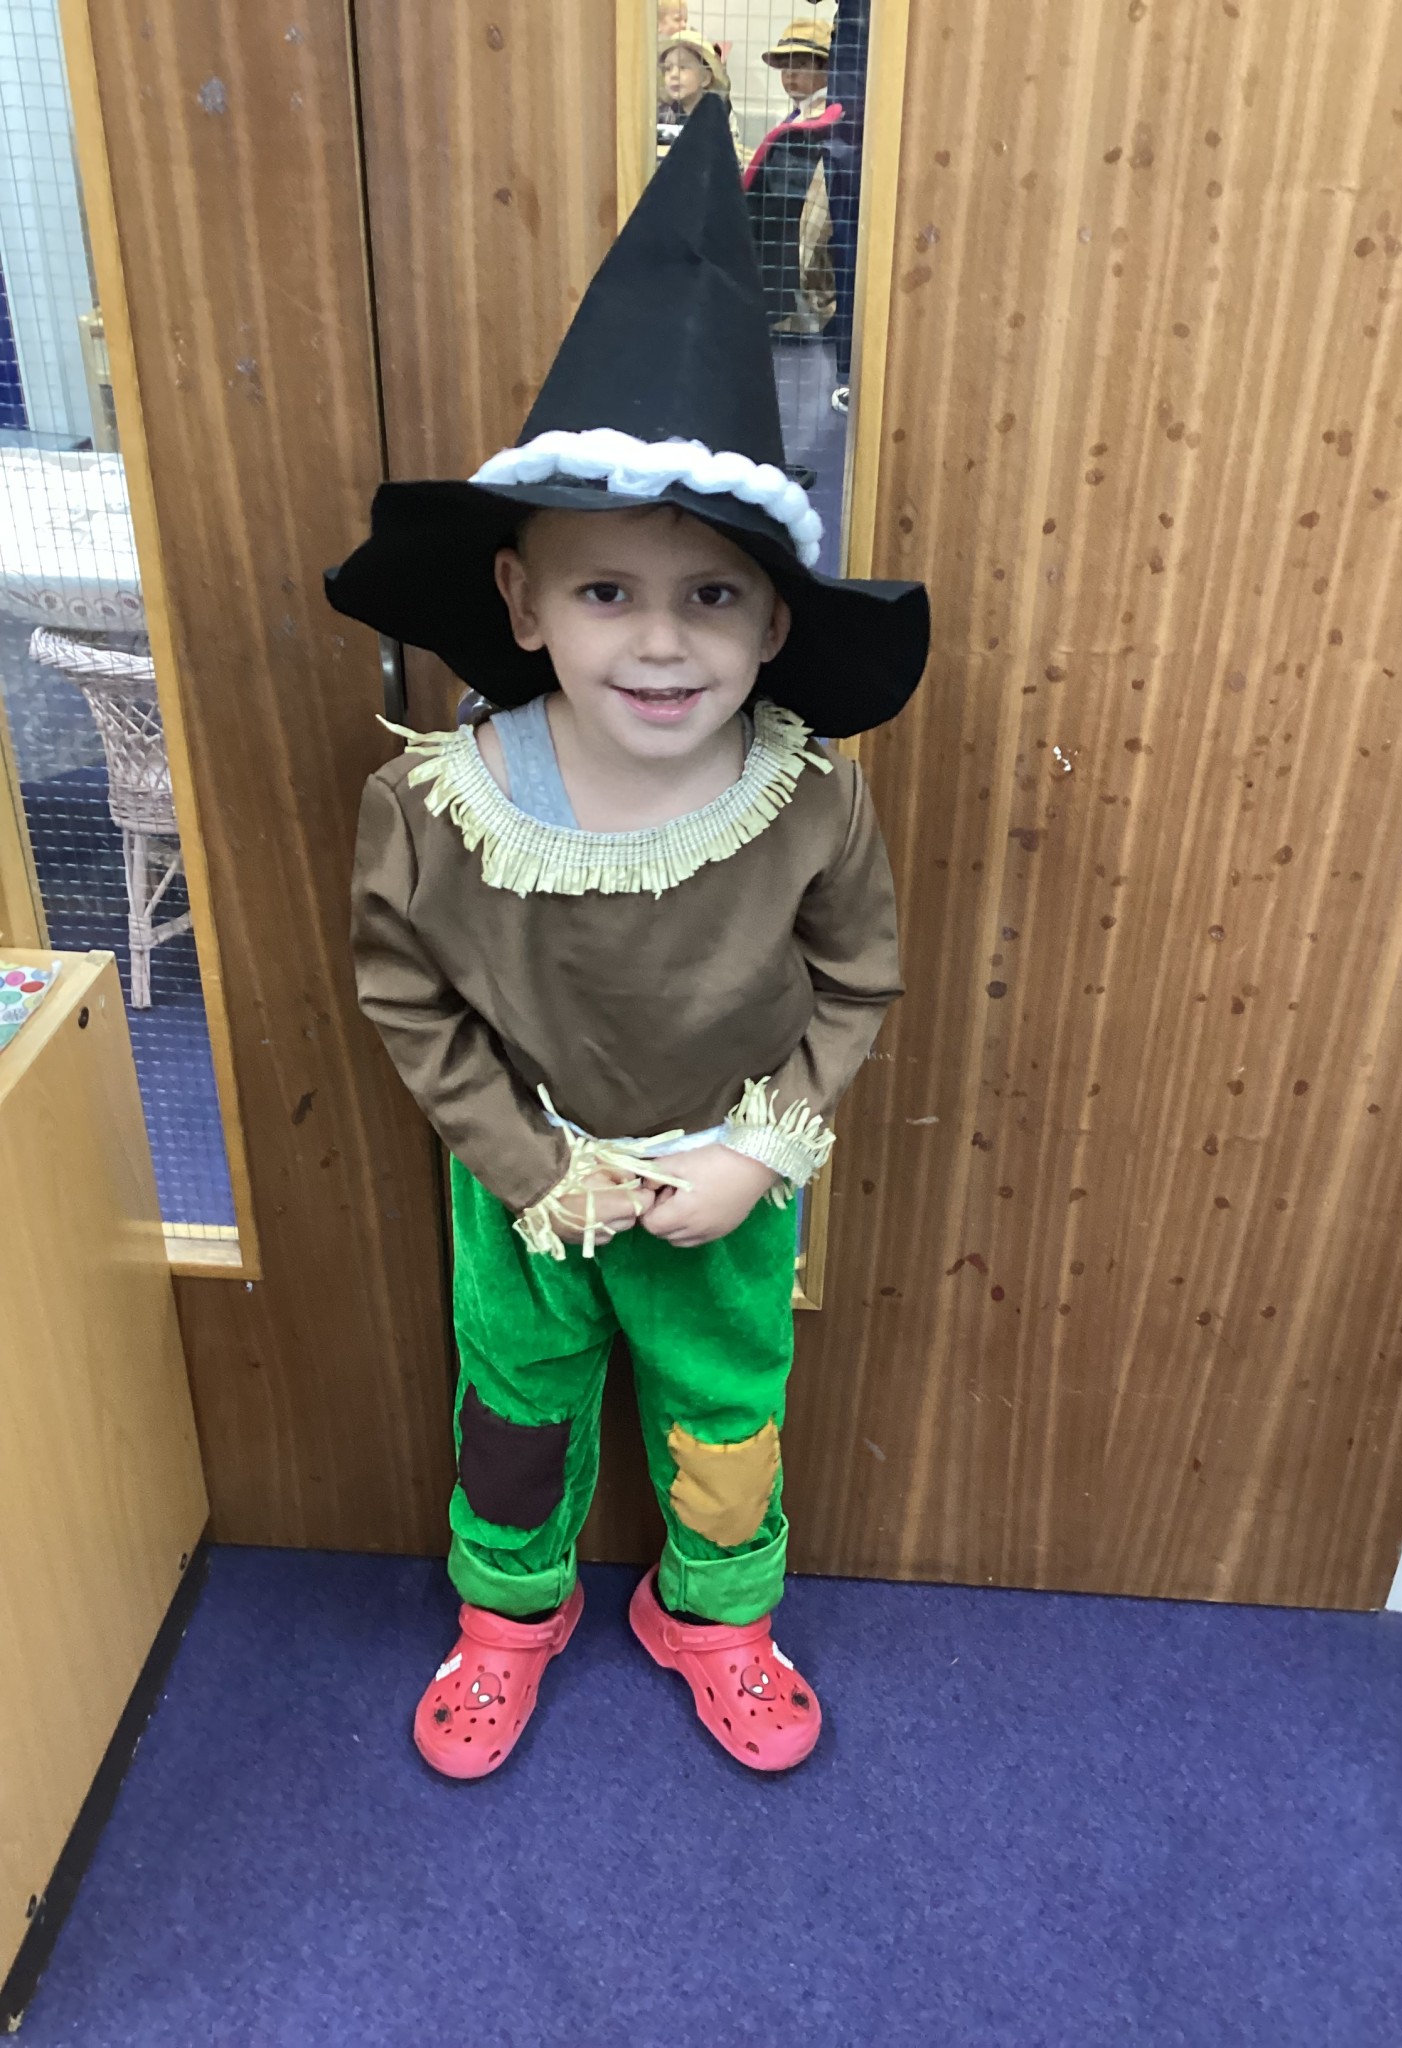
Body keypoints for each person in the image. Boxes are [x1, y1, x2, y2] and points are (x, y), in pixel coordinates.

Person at [324, 99, 928, 1779]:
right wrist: (527, 1166)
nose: (660, 643)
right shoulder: (441, 802)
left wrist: (756, 1153)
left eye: (712, 596)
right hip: (530, 1190)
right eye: (605, 593)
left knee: (725, 1418)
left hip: (723, 1183)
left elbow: (858, 978)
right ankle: (506, 1616)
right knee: (515, 1414)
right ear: (520, 601)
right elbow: (409, 996)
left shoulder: (807, 800)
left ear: (776, 619)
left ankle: (712, 1611)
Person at [744, 17, 840, 336]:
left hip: (796, 293)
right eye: (785, 66)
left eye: (801, 64)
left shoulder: (819, 128)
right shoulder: (801, 118)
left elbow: (811, 220)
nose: (790, 74)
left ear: (827, 68)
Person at [657, 29, 745, 164]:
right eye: (668, 68)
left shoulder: (720, 114)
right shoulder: (663, 115)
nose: (673, 74)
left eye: (683, 67)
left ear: (705, 78)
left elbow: (733, 158)